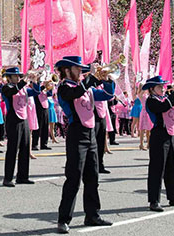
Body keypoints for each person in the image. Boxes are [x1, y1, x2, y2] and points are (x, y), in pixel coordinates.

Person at [55, 56, 113, 233]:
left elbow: (107, 95)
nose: (81, 71)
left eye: (81, 69)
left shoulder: (85, 86)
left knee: (92, 177)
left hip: (91, 134)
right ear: (67, 70)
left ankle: (92, 215)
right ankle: (63, 220)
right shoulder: (65, 87)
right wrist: (92, 78)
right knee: (73, 178)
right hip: (76, 134)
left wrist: (108, 79)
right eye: (77, 69)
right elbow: (75, 94)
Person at [144, 75, 174, 212]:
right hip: (159, 135)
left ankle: (173, 197)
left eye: (163, 86)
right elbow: (163, 107)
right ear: (152, 89)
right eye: (160, 87)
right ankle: (154, 200)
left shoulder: (167, 98)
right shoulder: (151, 100)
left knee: (171, 168)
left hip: (170, 135)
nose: (163, 89)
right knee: (157, 169)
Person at [1, 66, 41, 187]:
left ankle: (22, 176)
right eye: (15, 76)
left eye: (19, 76)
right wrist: (25, 80)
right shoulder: (6, 88)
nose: (18, 78)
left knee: (25, 148)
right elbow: (13, 91)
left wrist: (35, 81)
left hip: (24, 119)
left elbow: (36, 92)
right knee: (13, 149)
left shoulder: (23, 88)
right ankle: (7, 178)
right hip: (13, 119)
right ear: (9, 77)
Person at [32, 78, 51, 151]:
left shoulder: (44, 87)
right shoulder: (36, 85)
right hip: (38, 106)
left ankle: (44, 144)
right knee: (38, 126)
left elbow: (49, 94)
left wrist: (50, 88)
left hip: (45, 107)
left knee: (45, 126)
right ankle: (34, 144)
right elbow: (37, 91)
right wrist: (44, 85)